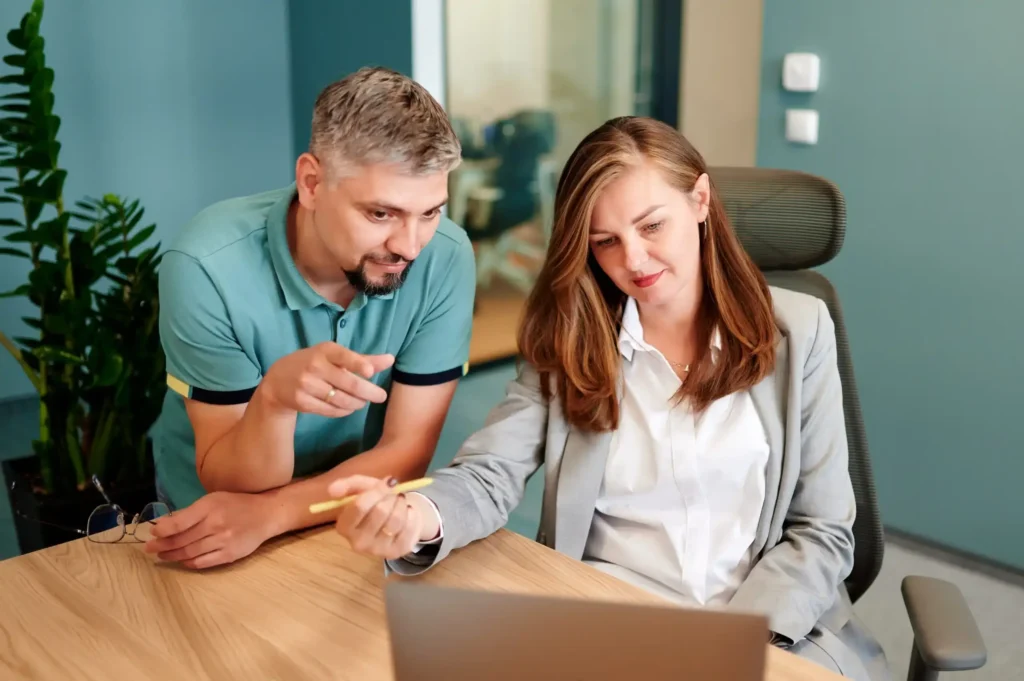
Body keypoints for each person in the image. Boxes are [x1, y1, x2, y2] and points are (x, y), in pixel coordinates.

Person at [328, 117, 890, 680]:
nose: (635, 261)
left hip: (768, 630)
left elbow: (822, 530)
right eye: (606, 242)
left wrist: (731, 647)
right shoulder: (570, 340)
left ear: (699, 200)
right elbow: (489, 473)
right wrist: (416, 517)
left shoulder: (799, 330)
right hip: (616, 629)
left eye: (651, 227)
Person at [143, 67, 476, 570]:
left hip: (351, 512)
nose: (410, 247)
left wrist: (275, 514)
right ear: (312, 183)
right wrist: (274, 402)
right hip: (220, 519)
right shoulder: (206, 267)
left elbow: (407, 451)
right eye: (381, 214)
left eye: (430, 213)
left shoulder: (446, 256)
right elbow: (231, 481)